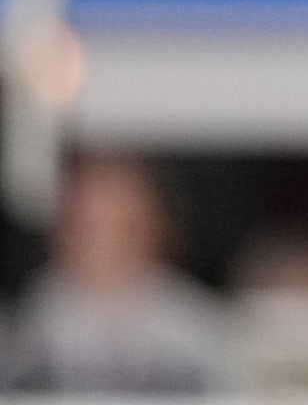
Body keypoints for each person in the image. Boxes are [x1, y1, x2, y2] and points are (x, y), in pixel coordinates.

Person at [2, 152, 233, 393]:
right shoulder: (26, 323)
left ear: (150, 220)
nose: (95, 235)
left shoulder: (195, 327)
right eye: (84, 220)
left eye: (111, 212)